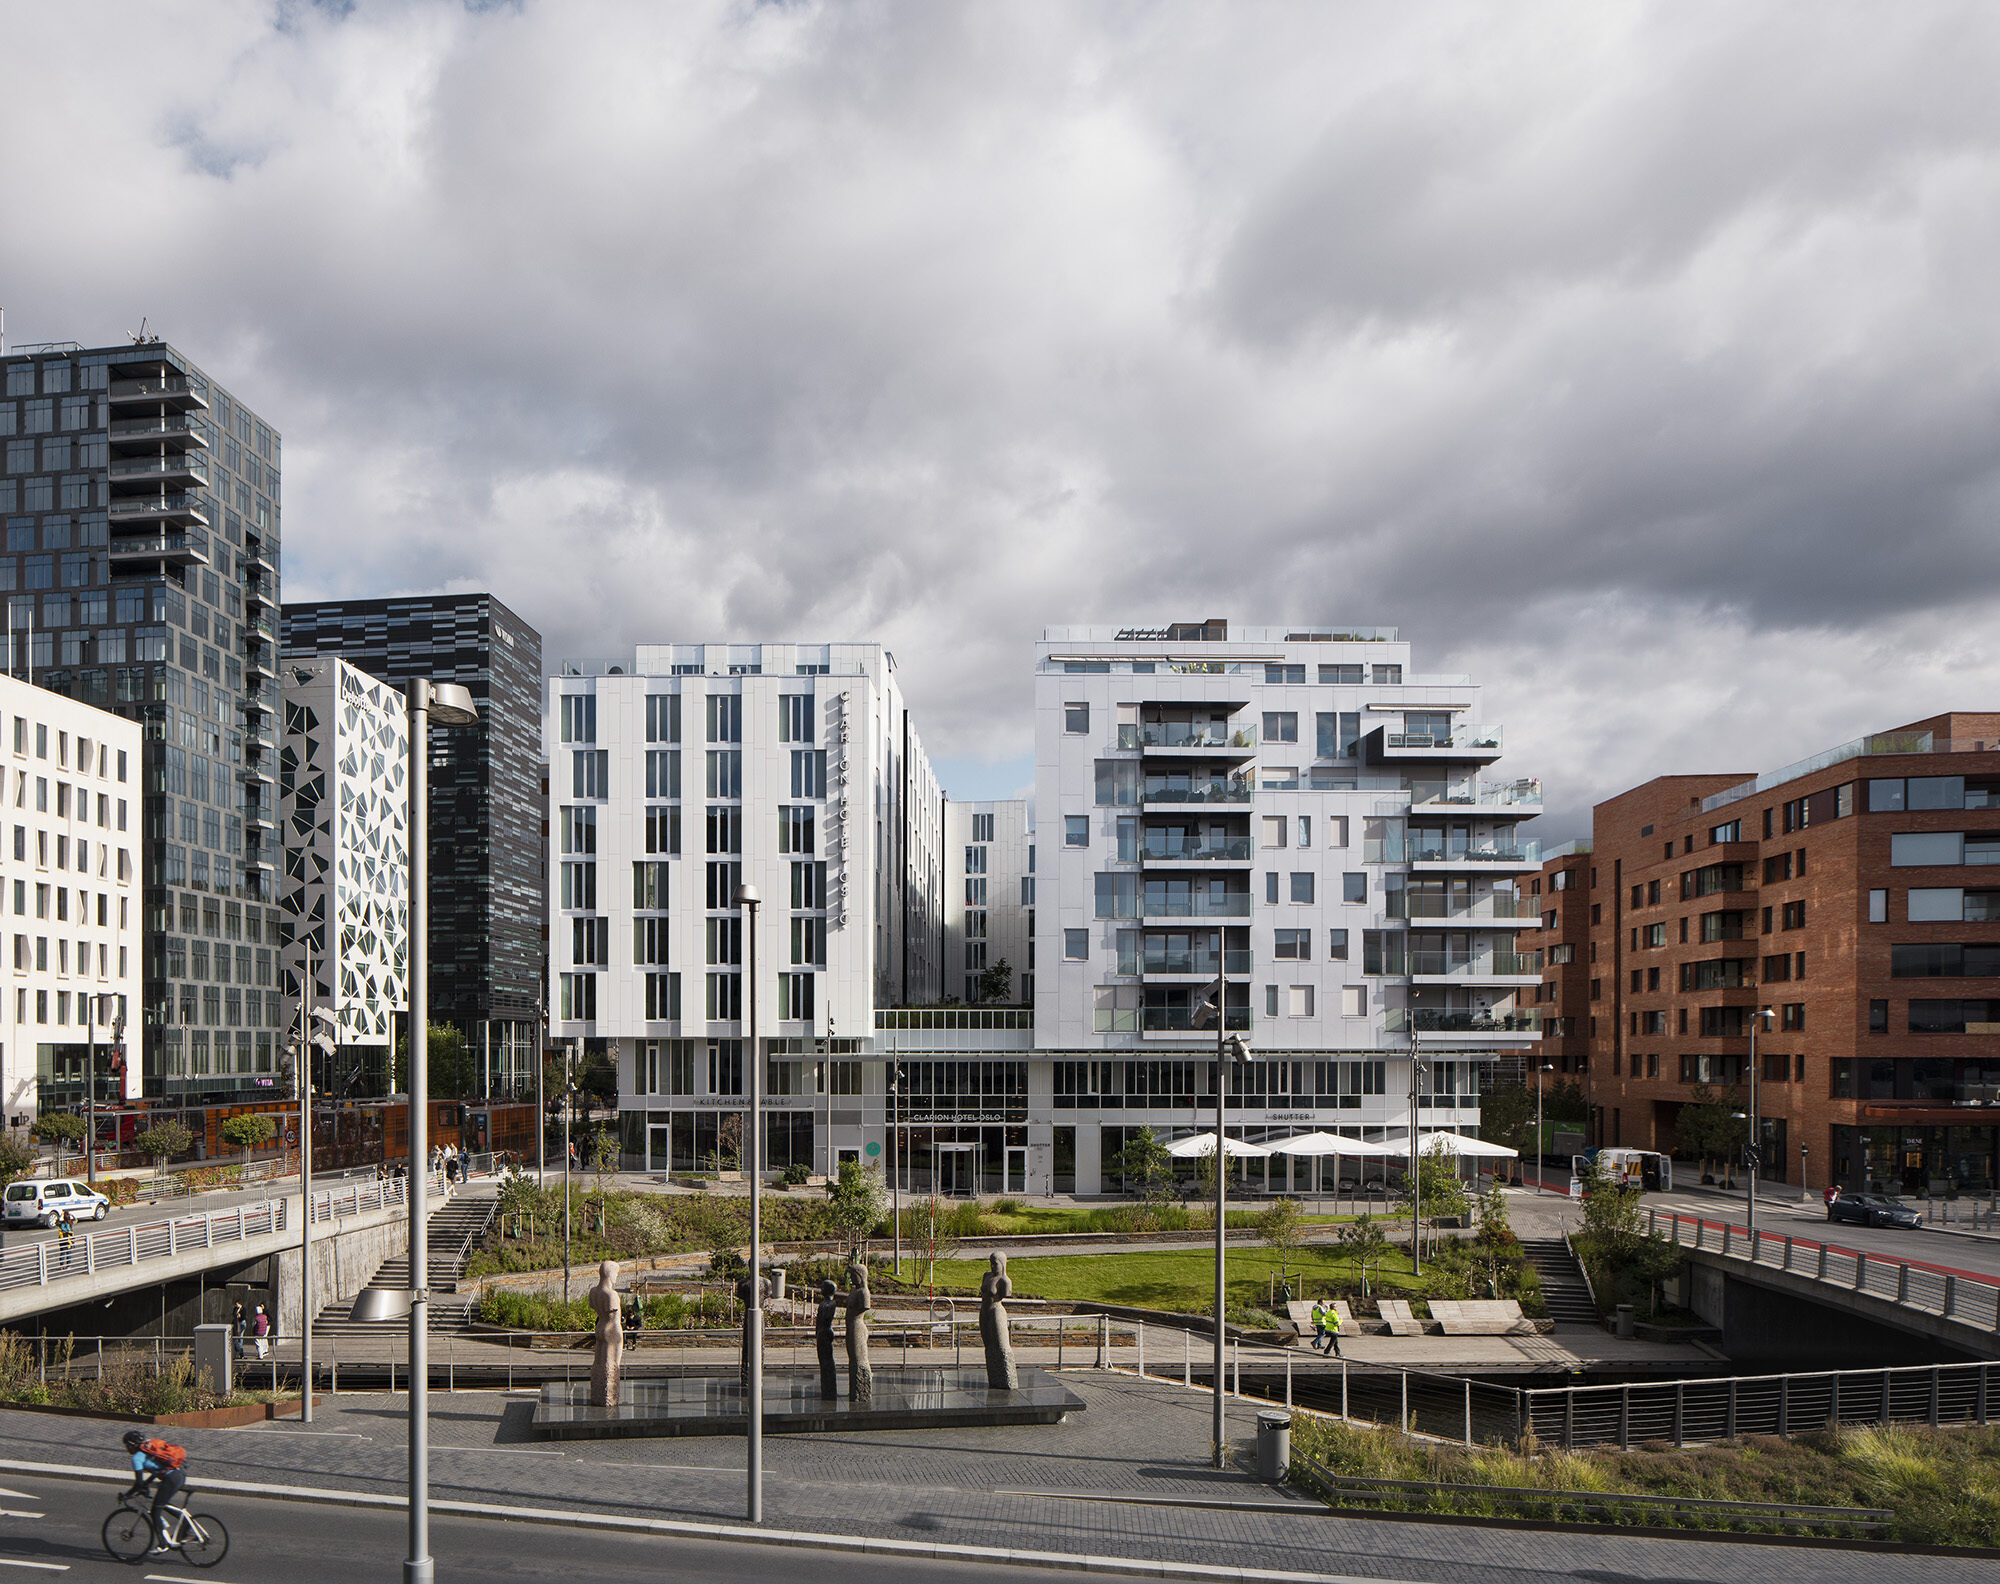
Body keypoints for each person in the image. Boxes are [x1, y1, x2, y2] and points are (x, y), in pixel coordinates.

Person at [121, 1429, 187, 1555]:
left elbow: (138, 1483)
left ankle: (163, 1544)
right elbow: (156, 1470)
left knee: (155, 1511)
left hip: (171, 1479)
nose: (127, 1449)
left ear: (131, 1445)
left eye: (127, 1446)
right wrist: (145, 1485)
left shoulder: (137, 1458)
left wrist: (127, 1495)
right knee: (162, 1503)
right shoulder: (149, 1450)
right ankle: (186, 1525)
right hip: (179, 1475)